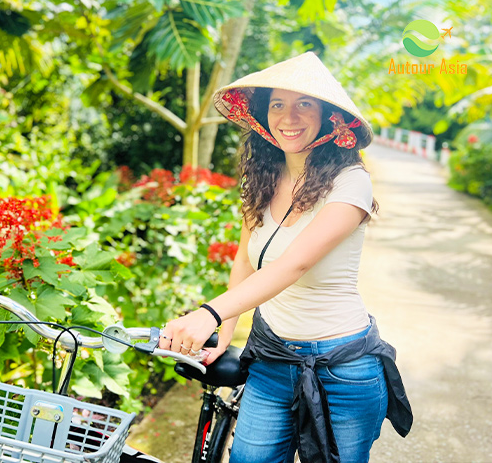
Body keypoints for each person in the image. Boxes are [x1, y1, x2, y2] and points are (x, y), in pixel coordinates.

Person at [158, 52, 412, 463]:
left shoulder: (352, 183)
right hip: (272, 360)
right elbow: (245, 259)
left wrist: (208, 312)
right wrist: (225, 335)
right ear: (262, 114)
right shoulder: (263, 177)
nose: (288, 117)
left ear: (328, 116)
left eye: (303, 104)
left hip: (343, 370)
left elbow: (293, 265)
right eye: (277, 104)